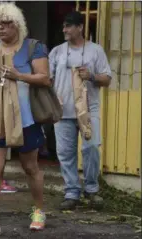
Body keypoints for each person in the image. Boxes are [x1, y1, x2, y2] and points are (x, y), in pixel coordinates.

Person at [0, 4, 50, 239]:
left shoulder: (33, 47)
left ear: (17, 24)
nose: (1, 28)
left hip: (25, 118)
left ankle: (38, 210)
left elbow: (45, 79)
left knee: (30, 166)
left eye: (5, 23)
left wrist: (19, 75)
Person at [49, 11, 111, 211]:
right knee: (65, 153)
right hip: (62, 110)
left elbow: (107, 79)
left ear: (80, 27)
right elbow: (47, 79)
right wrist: (50, 97)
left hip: (88, 109)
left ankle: (92, 190)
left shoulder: (96, 50)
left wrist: (91, 76)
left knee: (91, 147)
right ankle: (71, 192)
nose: (64, 30)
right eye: (64, 26)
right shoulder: (57, 51)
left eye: (68, 26)